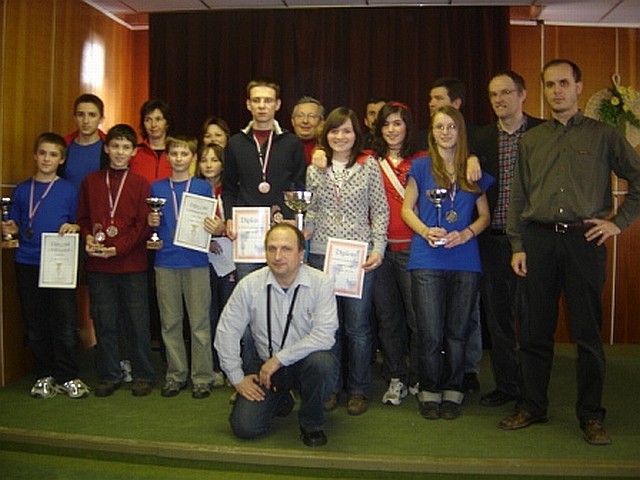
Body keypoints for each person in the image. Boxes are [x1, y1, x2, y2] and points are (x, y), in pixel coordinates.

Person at [500, 59, 640, 445]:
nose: (556, 91)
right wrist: (517, 245)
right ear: (543, 90)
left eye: (563, 83)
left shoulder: (604, 136)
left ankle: (591, 416)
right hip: (539, 242)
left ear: (578, 86)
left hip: (585, 242)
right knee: (534, 331)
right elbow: (518, 197)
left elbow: (638, 179)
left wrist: (618, 222)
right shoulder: (532, 140)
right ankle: (532, 406)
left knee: (587, 335)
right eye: (549, 85)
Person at [401, 106, 493, 420]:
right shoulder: (420, 166)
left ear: (460, 130)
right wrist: (425, 231)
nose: (445, 132)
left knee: (458, 331)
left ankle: (454, 388)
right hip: (427, 257)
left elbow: (485, 216)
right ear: (432, 131)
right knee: (429, 331)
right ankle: (429, 389)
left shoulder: (473, 170)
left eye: (451, 126)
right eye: (439, 126)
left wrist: (467, 233)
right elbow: (406, 209)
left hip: (465, 259)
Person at [215, 223, 338, 447]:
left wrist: (279, 359)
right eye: (272, 249)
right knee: (245, 428)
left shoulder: (321, 283)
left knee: (323, 364)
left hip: (304, 363)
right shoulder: (249, 285)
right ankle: (281, 397)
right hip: (265, 367)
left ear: (301, 254)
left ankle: (312, 424)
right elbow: (226, 331)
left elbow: (325, 336)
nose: (278, 256)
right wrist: (237, 378)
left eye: (286, 249)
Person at [305, 107, 389, 416]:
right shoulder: (315, 167)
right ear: (325, 134)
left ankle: (358, 389)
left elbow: (380, 209)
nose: (340, 136)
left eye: (347, 131)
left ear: (356, 134)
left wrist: (378, 248)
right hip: (321, 253)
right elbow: (310, 209)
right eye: (334, 130)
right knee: (328, 326)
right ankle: (330, 387)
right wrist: (304, 228)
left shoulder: (369, 166)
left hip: (357, 255)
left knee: (358, 327)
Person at [470, 71, 543, 408]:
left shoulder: (544, 132)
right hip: (492, 241)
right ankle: (507, 385)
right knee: (498, 319)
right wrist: (471, 157)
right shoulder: (481, 138)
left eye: (506, 92)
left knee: (532, 319)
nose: (499, 99)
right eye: (493, 94)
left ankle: (532, 389)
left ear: (523, 94)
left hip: (533, 241)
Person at [3, 132, 89, 399]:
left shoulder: (69, 190)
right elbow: (16, 224)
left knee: (64, 321)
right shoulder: (22, 190)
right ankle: (44, 375)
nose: (47, 159)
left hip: (58, 264)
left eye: (53, 155)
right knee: (35, 322)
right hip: (27, 261)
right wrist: (10, 228)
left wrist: (74, 226)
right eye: (42, 153)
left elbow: (79, 222)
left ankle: (68, 376)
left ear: (61, 159)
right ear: (35, 155)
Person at [77, 124, 156, 397]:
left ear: (133, 152)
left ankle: (143, 374)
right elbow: (83, 218)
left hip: (132, 263)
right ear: (106, 148)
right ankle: (109, 375)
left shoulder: (141, 184)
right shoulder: (90, 182)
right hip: (99, 265)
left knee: (137, 322)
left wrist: (117, 249)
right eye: (115, 146)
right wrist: (88, 237)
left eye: (125, 147)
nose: (120, 152)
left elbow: (142, 225)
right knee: (104, 322)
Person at [148, 134, 215, 399]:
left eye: (184, 153)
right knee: (170, 322)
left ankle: (202, 377)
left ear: (193, 157)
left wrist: (213, 226)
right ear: (167, 157)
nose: (178, 158)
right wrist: (151, 222)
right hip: (165, 261)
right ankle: (175, 375)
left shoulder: (202, 187)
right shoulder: (156, 188)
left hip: (196, 261)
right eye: (174, 153)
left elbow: (210, 221)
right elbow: (152, 226)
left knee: (199, 323)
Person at [222, 77, 307, 279]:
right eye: (256, 100)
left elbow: (300, 187)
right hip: (247, 233)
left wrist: (296, 218)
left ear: (277, 104)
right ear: (248, 104)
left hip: (283, 228)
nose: (262, 106)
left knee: (284, 287)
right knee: (249, 290)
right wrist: (229, 218)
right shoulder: (235, 144)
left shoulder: (292, 143)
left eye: (268, 100)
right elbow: (229, 188)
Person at [370, 101, 426, 405]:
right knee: (387, 317)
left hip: (413, 249)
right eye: (386, 124)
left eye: (397, 123)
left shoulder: (423, 159)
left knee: (418, 317)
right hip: (379, 251)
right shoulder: (368, 160)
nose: (391, 130)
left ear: (407, 127)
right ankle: (395, 376)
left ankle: (418, 374)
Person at [198, 142, 236, 388]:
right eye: (204, 160)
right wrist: (206, 240)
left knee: (229, 314)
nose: (209, 165)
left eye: (214, 160)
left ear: (223, 164)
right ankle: (212, 367)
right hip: (203, 261)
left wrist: (223, 230)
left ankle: (231, 366)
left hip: (231, 260)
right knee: (208, 314)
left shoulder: (233, 191)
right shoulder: (193, 191)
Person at [60, 93, 108, 192]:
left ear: (101, 119)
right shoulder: (62, 147)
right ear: (74, 118)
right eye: (80, 115)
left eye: (92, 115)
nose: (85, 121)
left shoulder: (110, 149)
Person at [130, 99, 173, 184]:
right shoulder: (134, 152)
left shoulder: (176, 152)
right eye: (148, 120)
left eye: (158, 119)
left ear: (167, 123)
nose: (153, 125)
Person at [416, 77, 465, 150]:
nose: (431, 104)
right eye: (431, 98)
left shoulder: (476, 138)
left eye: (438, 98)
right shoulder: (420, 140)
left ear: (456, 103)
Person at [291, 96, 324, 163]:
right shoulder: (282, 147)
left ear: (321, 122)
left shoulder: (328, 148)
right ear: (292, 121)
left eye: (312, 116)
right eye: (300, 116)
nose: (305, 121)